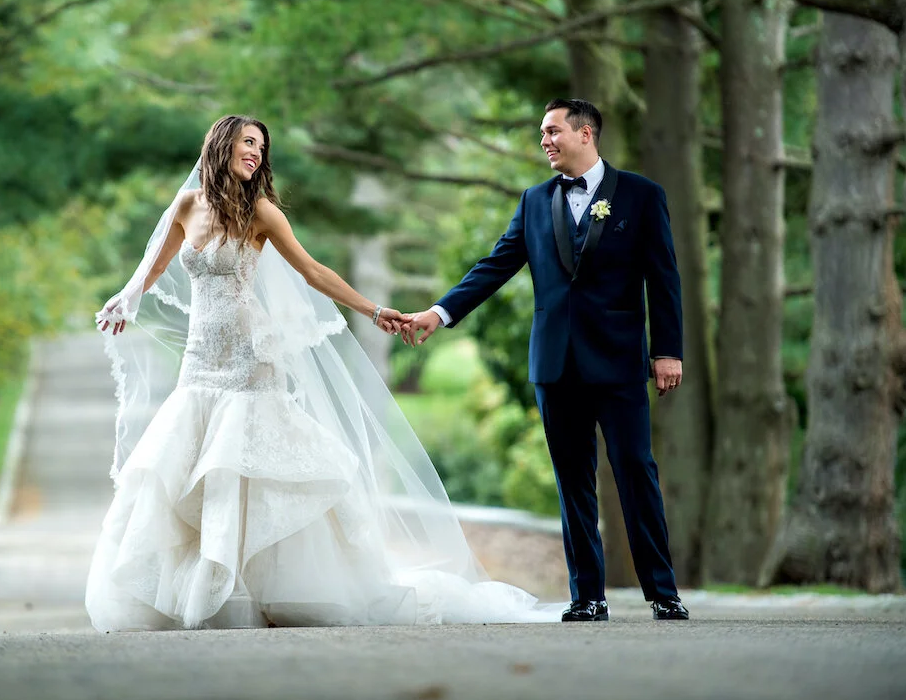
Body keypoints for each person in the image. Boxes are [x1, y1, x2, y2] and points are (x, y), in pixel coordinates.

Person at [86, 115, 561, 631]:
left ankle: (261, 588)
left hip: (249, 357)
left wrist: (375, 311)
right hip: (200, 361)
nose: (255, 154)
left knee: (243, 466)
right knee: (191, 466)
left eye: (261, 148)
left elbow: (313, 272)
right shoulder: (187, 205)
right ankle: (211, 588)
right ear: (221, 145)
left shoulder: (261, 213)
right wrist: (127, 296)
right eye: (248, 143)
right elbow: (156, 261)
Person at [400, 99, 689, 622]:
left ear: (585, 134)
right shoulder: (535, 201)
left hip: (620, 362)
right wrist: (439, 313)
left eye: (553, 131)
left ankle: (662, 593)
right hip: (554, 366)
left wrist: (666, 351)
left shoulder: (643, 196)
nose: (545, 141)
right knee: (572, 481)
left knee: (635, 472)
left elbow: (664, 279)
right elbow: (496, 264)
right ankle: (588, 597)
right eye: (541, 133)